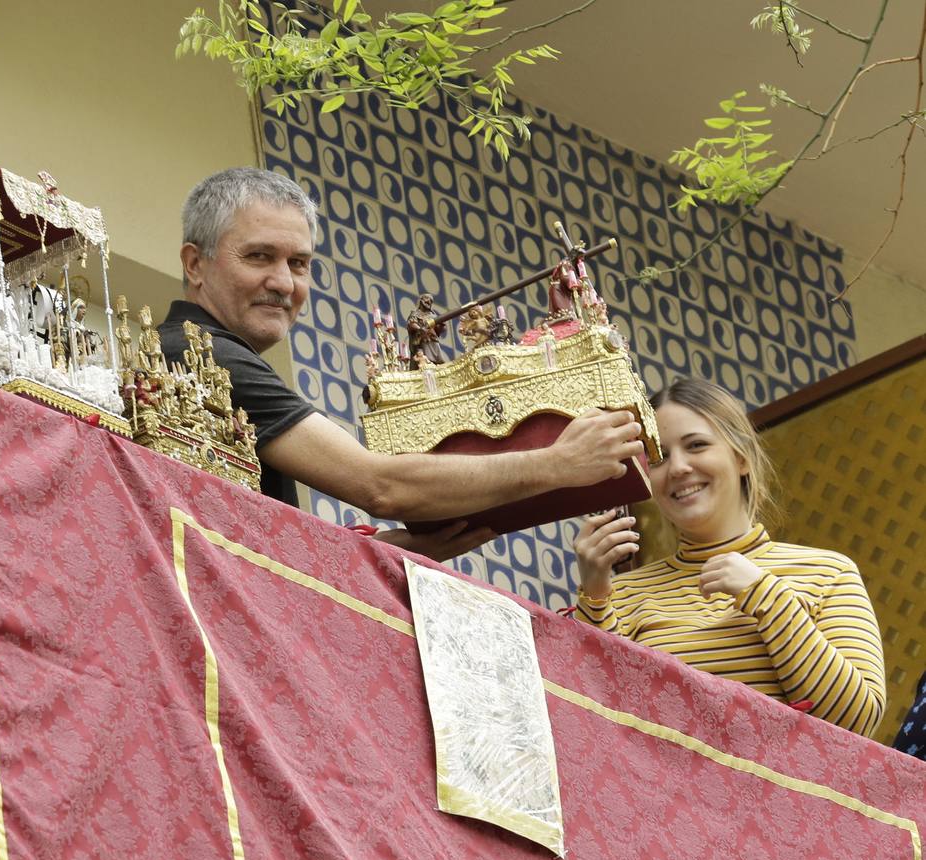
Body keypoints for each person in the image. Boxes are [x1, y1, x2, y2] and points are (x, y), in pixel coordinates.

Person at [158, 167, 646, 562]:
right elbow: (380, 486)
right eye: (260, 256)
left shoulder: (215, 353)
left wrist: (386, 549)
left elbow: (250, 540)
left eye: (299, 264)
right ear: (195, 264)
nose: (284, 283)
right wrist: (557, 463)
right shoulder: (200, 353)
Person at [572, 378, 885, 736]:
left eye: (697, 445)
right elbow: (599, 726)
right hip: (671, 790)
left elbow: (856, 722)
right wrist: (594, 595)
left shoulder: (829, 572)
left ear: (741, 457)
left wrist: (766, 596)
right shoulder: (621, 594)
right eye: (658, 456)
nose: (678, 468)